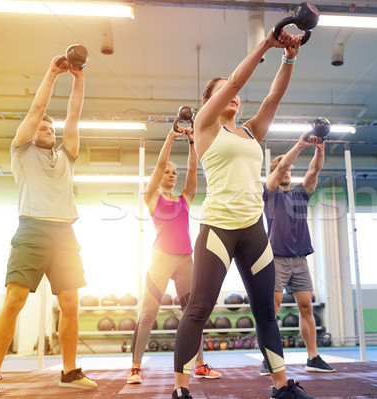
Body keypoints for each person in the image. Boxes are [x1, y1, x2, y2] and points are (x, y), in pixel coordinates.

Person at [171, 28, 316, 399]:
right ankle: (181, 390)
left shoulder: (251, 133)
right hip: (217, 227)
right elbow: (238, 78)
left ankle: (281, 387)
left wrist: (289, 57)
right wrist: (266, 43)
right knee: (199, 308)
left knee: (266, 310)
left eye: (235, 94)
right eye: (224, 92)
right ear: (210, 101)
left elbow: (275, 95)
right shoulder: (205, 127)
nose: (233, 94)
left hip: (253, 228)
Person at [0, 57, 96, 397]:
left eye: (50, 129)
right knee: (15, 299)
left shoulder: (66, 155)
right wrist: (54, 73)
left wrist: (79, 78)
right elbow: (37, 107)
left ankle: (69, 371)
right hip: (31, 230)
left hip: (65, 233)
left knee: (70, 302)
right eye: (43, 126)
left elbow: (74, 114)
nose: (48, 130)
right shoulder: (22, 152)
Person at [126, 125, 221, 384]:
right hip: (160, 260)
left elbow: (193, 171)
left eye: (173, 172)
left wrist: (192, 143)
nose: (170, 174)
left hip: (185, 261)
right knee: (148, 314)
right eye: (167, 172)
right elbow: (157, 168)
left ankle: (200, 365)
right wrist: (171, 137)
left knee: (193, 313)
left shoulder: (184, 199)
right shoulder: (153, 198)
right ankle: (135, 367)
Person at [261, 133, 335, 375]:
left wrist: (319, 149)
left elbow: (313, 171)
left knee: (306, 306)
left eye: (291, 170)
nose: (287, 172)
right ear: (275, 173)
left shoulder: (300, 194)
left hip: (300, 259)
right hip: (277, 259)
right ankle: (269, 358)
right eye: (284, 169)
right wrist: (300, 144)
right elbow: (282, 164)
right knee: (273, 307)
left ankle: (313, 357)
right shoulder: (269, 193)